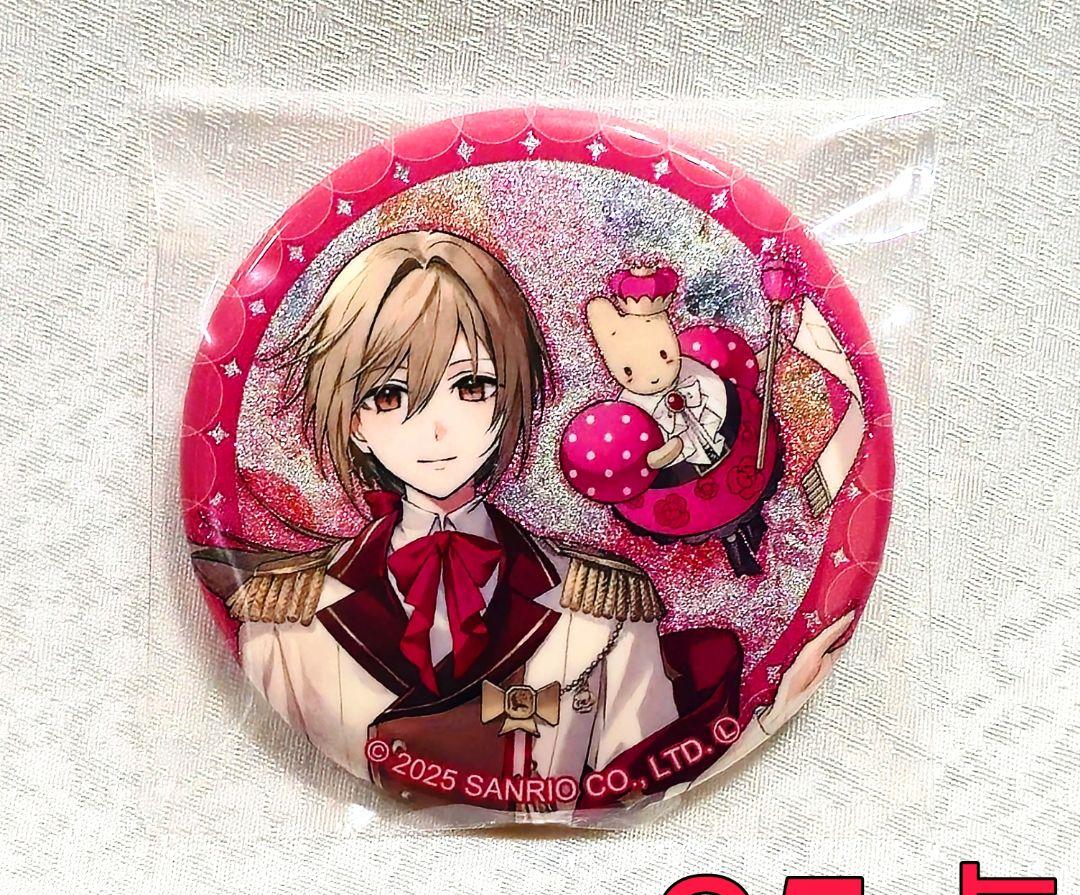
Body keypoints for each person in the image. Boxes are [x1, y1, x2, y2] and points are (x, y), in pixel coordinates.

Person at [192, 230, 848, 820]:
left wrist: (768, 716)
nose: (437, 427)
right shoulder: (286, 618)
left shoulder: (604, 607)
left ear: (509, 398)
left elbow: (641, 778)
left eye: (471, 387)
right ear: (354, 420)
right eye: (389, 396)